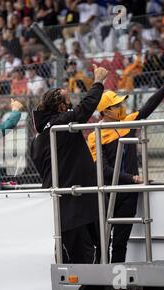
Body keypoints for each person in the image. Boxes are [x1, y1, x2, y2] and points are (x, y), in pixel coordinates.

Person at [87, 60, 164, 263]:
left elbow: (148, 107)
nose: (122, 107)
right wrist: (134, 178)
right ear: (105, 112)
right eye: (117, 105)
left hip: (128, 192)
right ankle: (101, 285)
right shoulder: (95, 134)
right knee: (103, 243)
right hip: (107, 192)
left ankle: (118, 289)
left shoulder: (127, 122)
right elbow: (103, 170)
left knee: (120, 242)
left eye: (121, 103)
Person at [30, 65, 109, 264]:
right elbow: (84, 110)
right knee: (82, 258)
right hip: (74, 205)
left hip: (73, 202)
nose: (72, 105)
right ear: (61, 107)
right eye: (69, 102)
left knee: (89, 250)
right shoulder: (60, 124)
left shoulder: (39, 137)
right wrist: (98, 81)